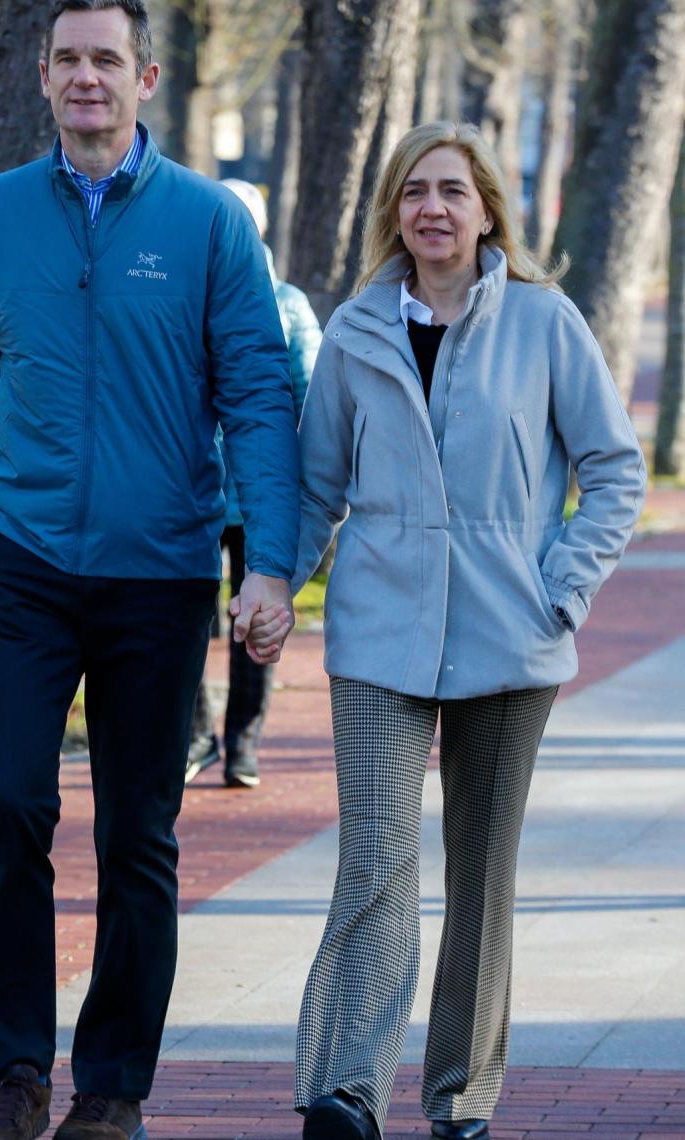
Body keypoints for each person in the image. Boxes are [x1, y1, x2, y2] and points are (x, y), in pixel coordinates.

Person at [0, 2, 298, 1138]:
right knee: (10, 808)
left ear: (144, 75)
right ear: (41, 76)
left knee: (139, 835)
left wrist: (270, 561)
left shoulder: (208, 224)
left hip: (160, 574)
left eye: (107, 61)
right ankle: (15, 1077)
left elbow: (261, 397)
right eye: (68, 61)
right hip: (24, 563)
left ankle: (114, 1089)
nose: (88, 80)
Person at [246, 121, 646, 1140]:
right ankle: (345, 1088)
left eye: (453, 192)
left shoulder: (547, 325)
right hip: (380, 635)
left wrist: (560, 586)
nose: (433, 207)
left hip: (514, 640)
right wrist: (274, 580)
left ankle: (461, 1096)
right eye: (415, 191)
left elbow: (614, 468)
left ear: (485, 212)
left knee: (481, 871)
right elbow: (314, 484)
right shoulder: (356, 331)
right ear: (395, 211)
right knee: (374, 859)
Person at [186, 178, 321, 788]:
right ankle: (196, 737)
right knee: (184, 618)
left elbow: (311, 397)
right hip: (190, 492)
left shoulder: (287, 303)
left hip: (259, 498)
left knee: (257, 622)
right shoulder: (186, 291)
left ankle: (242, 744)